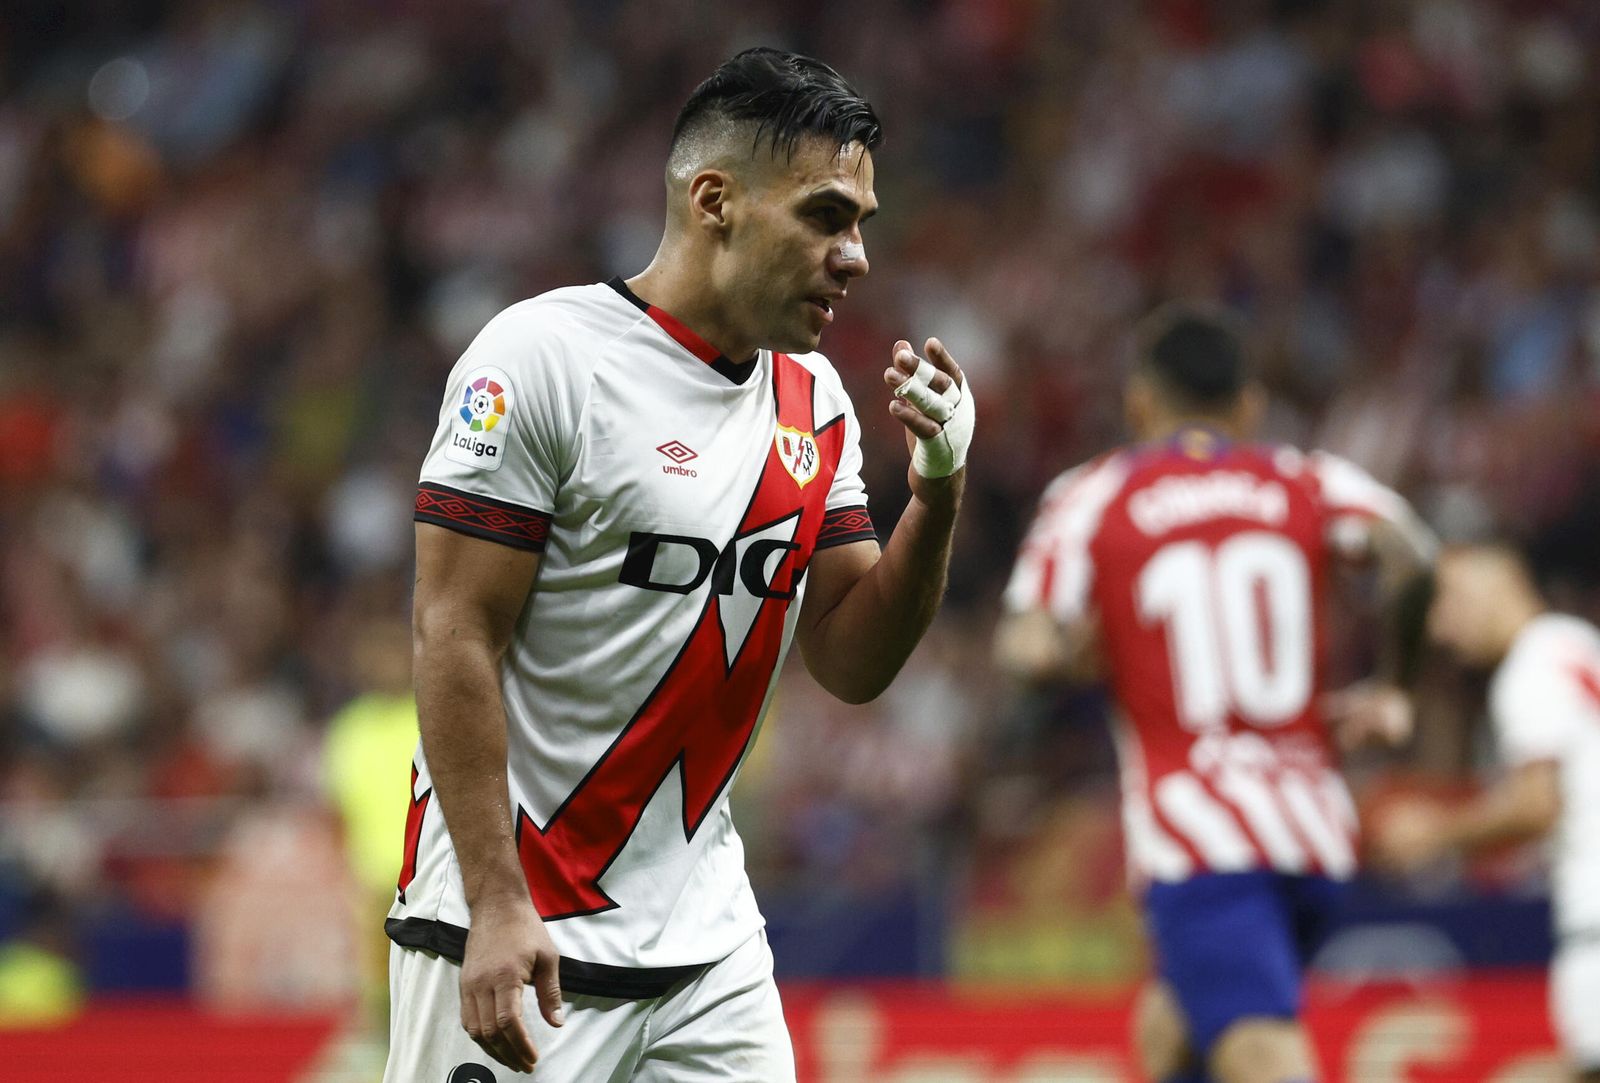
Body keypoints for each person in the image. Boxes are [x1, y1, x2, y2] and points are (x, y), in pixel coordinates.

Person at [386, 47, 975, 1081]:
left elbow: (852, 661)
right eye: (827, 218)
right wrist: (492, 901)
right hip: (521, 933)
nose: (855, 257)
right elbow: (454, 632)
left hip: (708, 955)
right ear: (714, 200)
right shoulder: (542, 360)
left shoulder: (814, 401)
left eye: (861, 227)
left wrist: (938, 487)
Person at [994, 305, 1433, 1083]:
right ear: (1250, 406)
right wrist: (1394, 688)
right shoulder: (1305, 477)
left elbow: (1024, 644)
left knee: (1260, 1051)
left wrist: (1073, 653)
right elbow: (1413, 557)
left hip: (1200, 835)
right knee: (1173, 1027)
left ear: (1138, 402)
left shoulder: (1097, 494)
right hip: (1314, 828)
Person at [1371, 545, 1600, 1083]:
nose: (1441, 630)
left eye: (1446, 603)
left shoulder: (1529, 669)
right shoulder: (1576, 642)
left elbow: (1536, 804)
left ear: (1490, 585)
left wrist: (1433, 834)